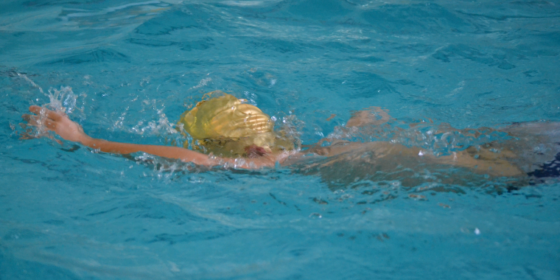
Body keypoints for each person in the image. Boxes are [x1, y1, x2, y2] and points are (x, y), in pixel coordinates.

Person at [22, 91, 560, 184]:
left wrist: (87, 140)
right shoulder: (316, 149)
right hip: (502, 150)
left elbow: (173, 156)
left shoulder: (274, 166)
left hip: (501, 177)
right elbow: (370, 113)